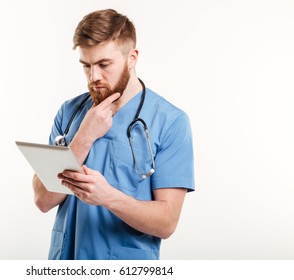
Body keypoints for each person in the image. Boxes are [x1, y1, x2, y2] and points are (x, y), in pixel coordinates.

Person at [33, 9, 195, 260]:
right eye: (86, 65)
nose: (93, 76)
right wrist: (83, 137)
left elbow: (167, 223)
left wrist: (109, 198)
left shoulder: (171, 122)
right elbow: (43, 199)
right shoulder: (69, 113)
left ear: (132, 58)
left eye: (103, 64)